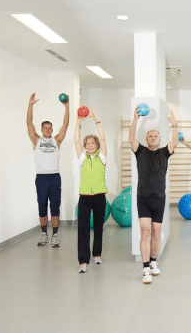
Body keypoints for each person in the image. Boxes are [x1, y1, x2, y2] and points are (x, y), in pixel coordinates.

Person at [128, 106, 179, 284]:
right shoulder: (140, 151)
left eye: (155, 136)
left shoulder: (165, 152)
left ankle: (154, 263)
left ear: (159, 139)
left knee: (156, 232)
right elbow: (130, 138)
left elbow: (175, 142)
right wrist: (135, 119)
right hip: (143, 197)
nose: (152, 138)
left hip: (159, 198)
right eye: (150, 136)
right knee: (145, 231)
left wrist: (174, 125)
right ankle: (145, 267)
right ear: (146, 139)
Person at [26, 92, 69, 248]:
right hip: (42, 178)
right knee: (42, 206)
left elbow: (65, 126)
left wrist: (67, 107)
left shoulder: (57, 140)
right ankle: (44, 234)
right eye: (45, 128)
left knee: (55, 206)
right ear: (42, 129)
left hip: (55, 177)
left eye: (50, 128)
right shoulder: (36, 140)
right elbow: (29, 124)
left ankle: (55, 235)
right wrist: (30, 105)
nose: (48, 130)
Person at [74, 108, 108, 274]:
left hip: (100, 197)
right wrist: (77, 123)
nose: (89, 146)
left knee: (99, 227)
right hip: (85, 198)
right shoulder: (82, 159)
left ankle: (97, 254)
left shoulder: (102, 157)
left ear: (96, 146)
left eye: (92, 144)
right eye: (87, 144)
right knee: (83, 228)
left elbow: (102, 137)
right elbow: (75, 142)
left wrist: (97, 121)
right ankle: (83, 261)